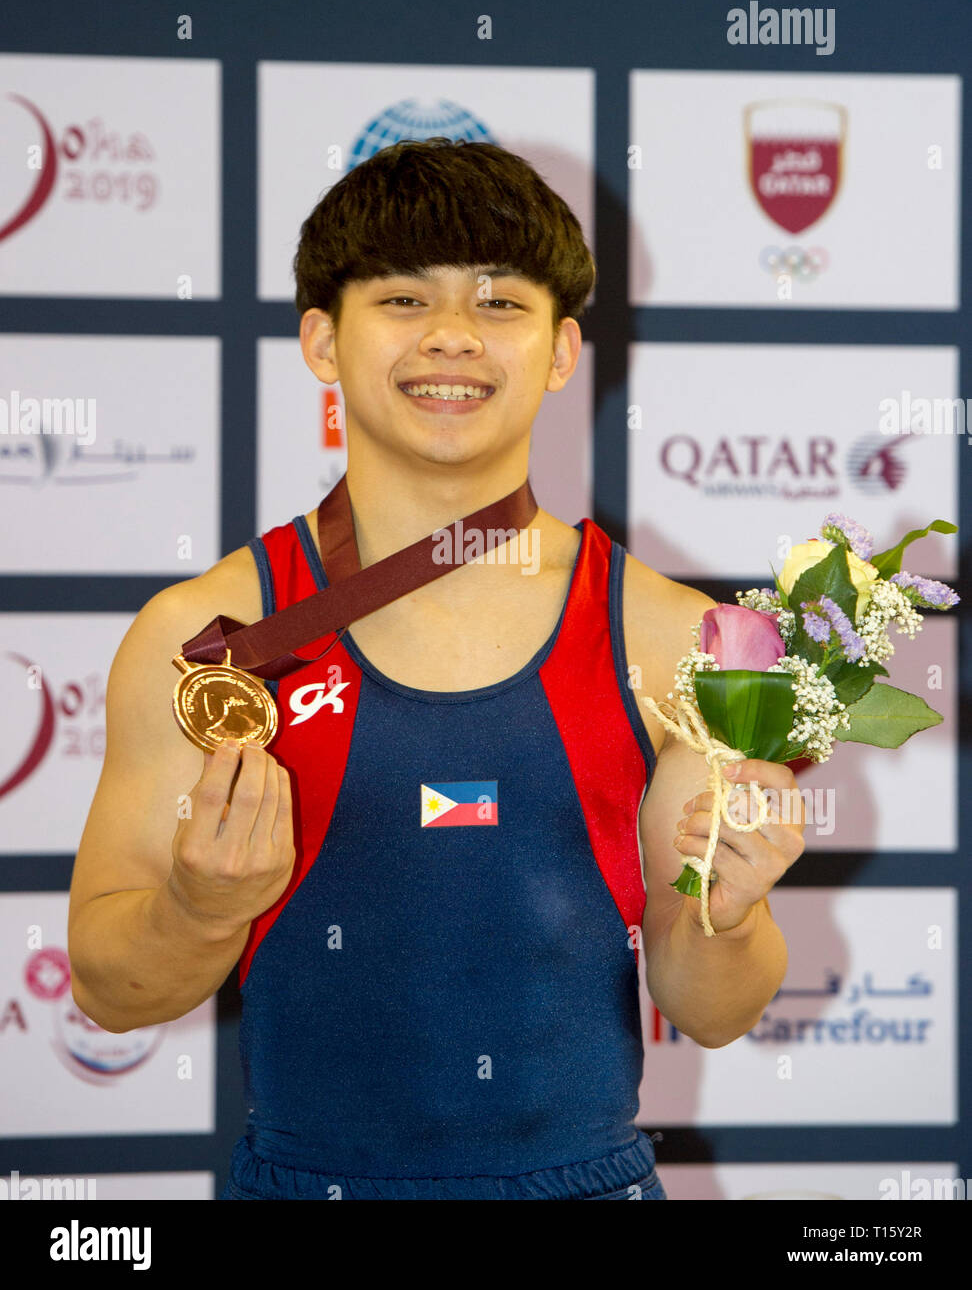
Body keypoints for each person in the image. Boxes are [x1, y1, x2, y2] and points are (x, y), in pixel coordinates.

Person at [67, 138, 806, 1201]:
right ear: (322, 338)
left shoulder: (667, 636)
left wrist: (723, 914)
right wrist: (194, 908)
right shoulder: (210, 637)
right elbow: (109, 987)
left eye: (501, 304)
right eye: (404, 299)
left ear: (561, 350)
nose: (453, 336)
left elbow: (714, 1005)